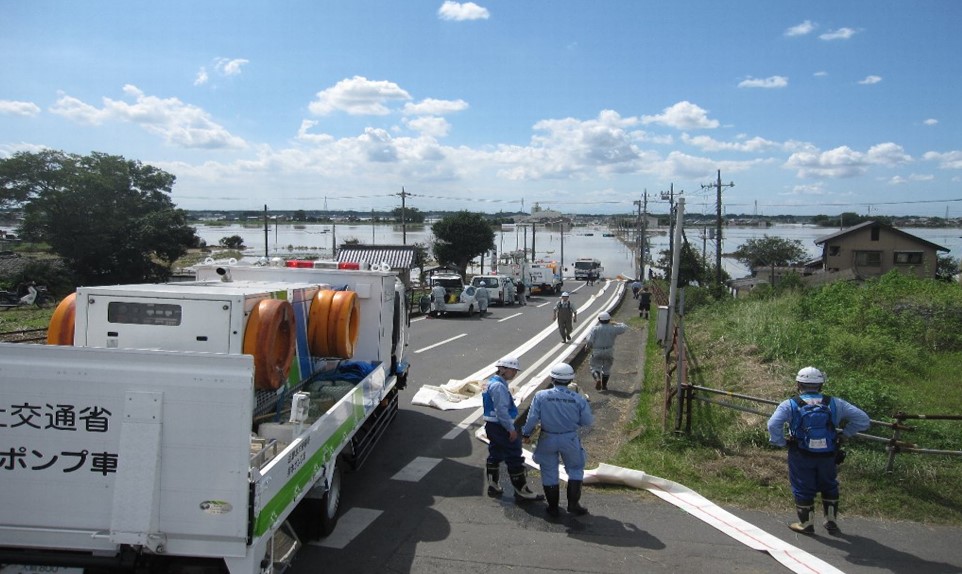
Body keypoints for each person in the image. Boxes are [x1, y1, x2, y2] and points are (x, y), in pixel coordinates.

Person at [767, 367, 871, 535]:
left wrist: (780, 442)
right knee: (829, 484)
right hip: (828, 452)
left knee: (802, 485)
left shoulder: (790, 404)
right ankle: (831, 522)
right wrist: (845, 434)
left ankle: (806, 524)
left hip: (800, 452)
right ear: (820, 385)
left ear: (798, 384)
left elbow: (773, 424)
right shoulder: (835, 403)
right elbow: (863, 420)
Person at [522, 363, 594, 517]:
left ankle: (553, 507)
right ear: (570, 380)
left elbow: (532, 418)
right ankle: (573, 505)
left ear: (552, 378)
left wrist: (526, 433)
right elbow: (587, 421)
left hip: (547, 437)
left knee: (549, 471)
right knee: (575, 469)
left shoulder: (541, 396)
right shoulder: (578, 399)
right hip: (569, 438)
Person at [481, 356, 543, 503]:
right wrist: (510, 429)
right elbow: (501, 410)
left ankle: (493, 485)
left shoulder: (492, 382)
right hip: (500, 426)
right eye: (512, 370)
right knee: (514, 454)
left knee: (495, 453)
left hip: (492, 425)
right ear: (502, 369)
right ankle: (522, 490)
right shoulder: (498, 386)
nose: (515, 373)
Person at [585, 311, 628, 391]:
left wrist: (588, 347)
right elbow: (625, 327)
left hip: (597, 351)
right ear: (609, 320)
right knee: (606, 369)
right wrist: (615, 323)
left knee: (594, 367)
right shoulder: (613, 328)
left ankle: (598, 379)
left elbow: (589, 340)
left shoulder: (595, 329)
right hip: (609, 350)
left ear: (599, 320)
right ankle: (604, 386)